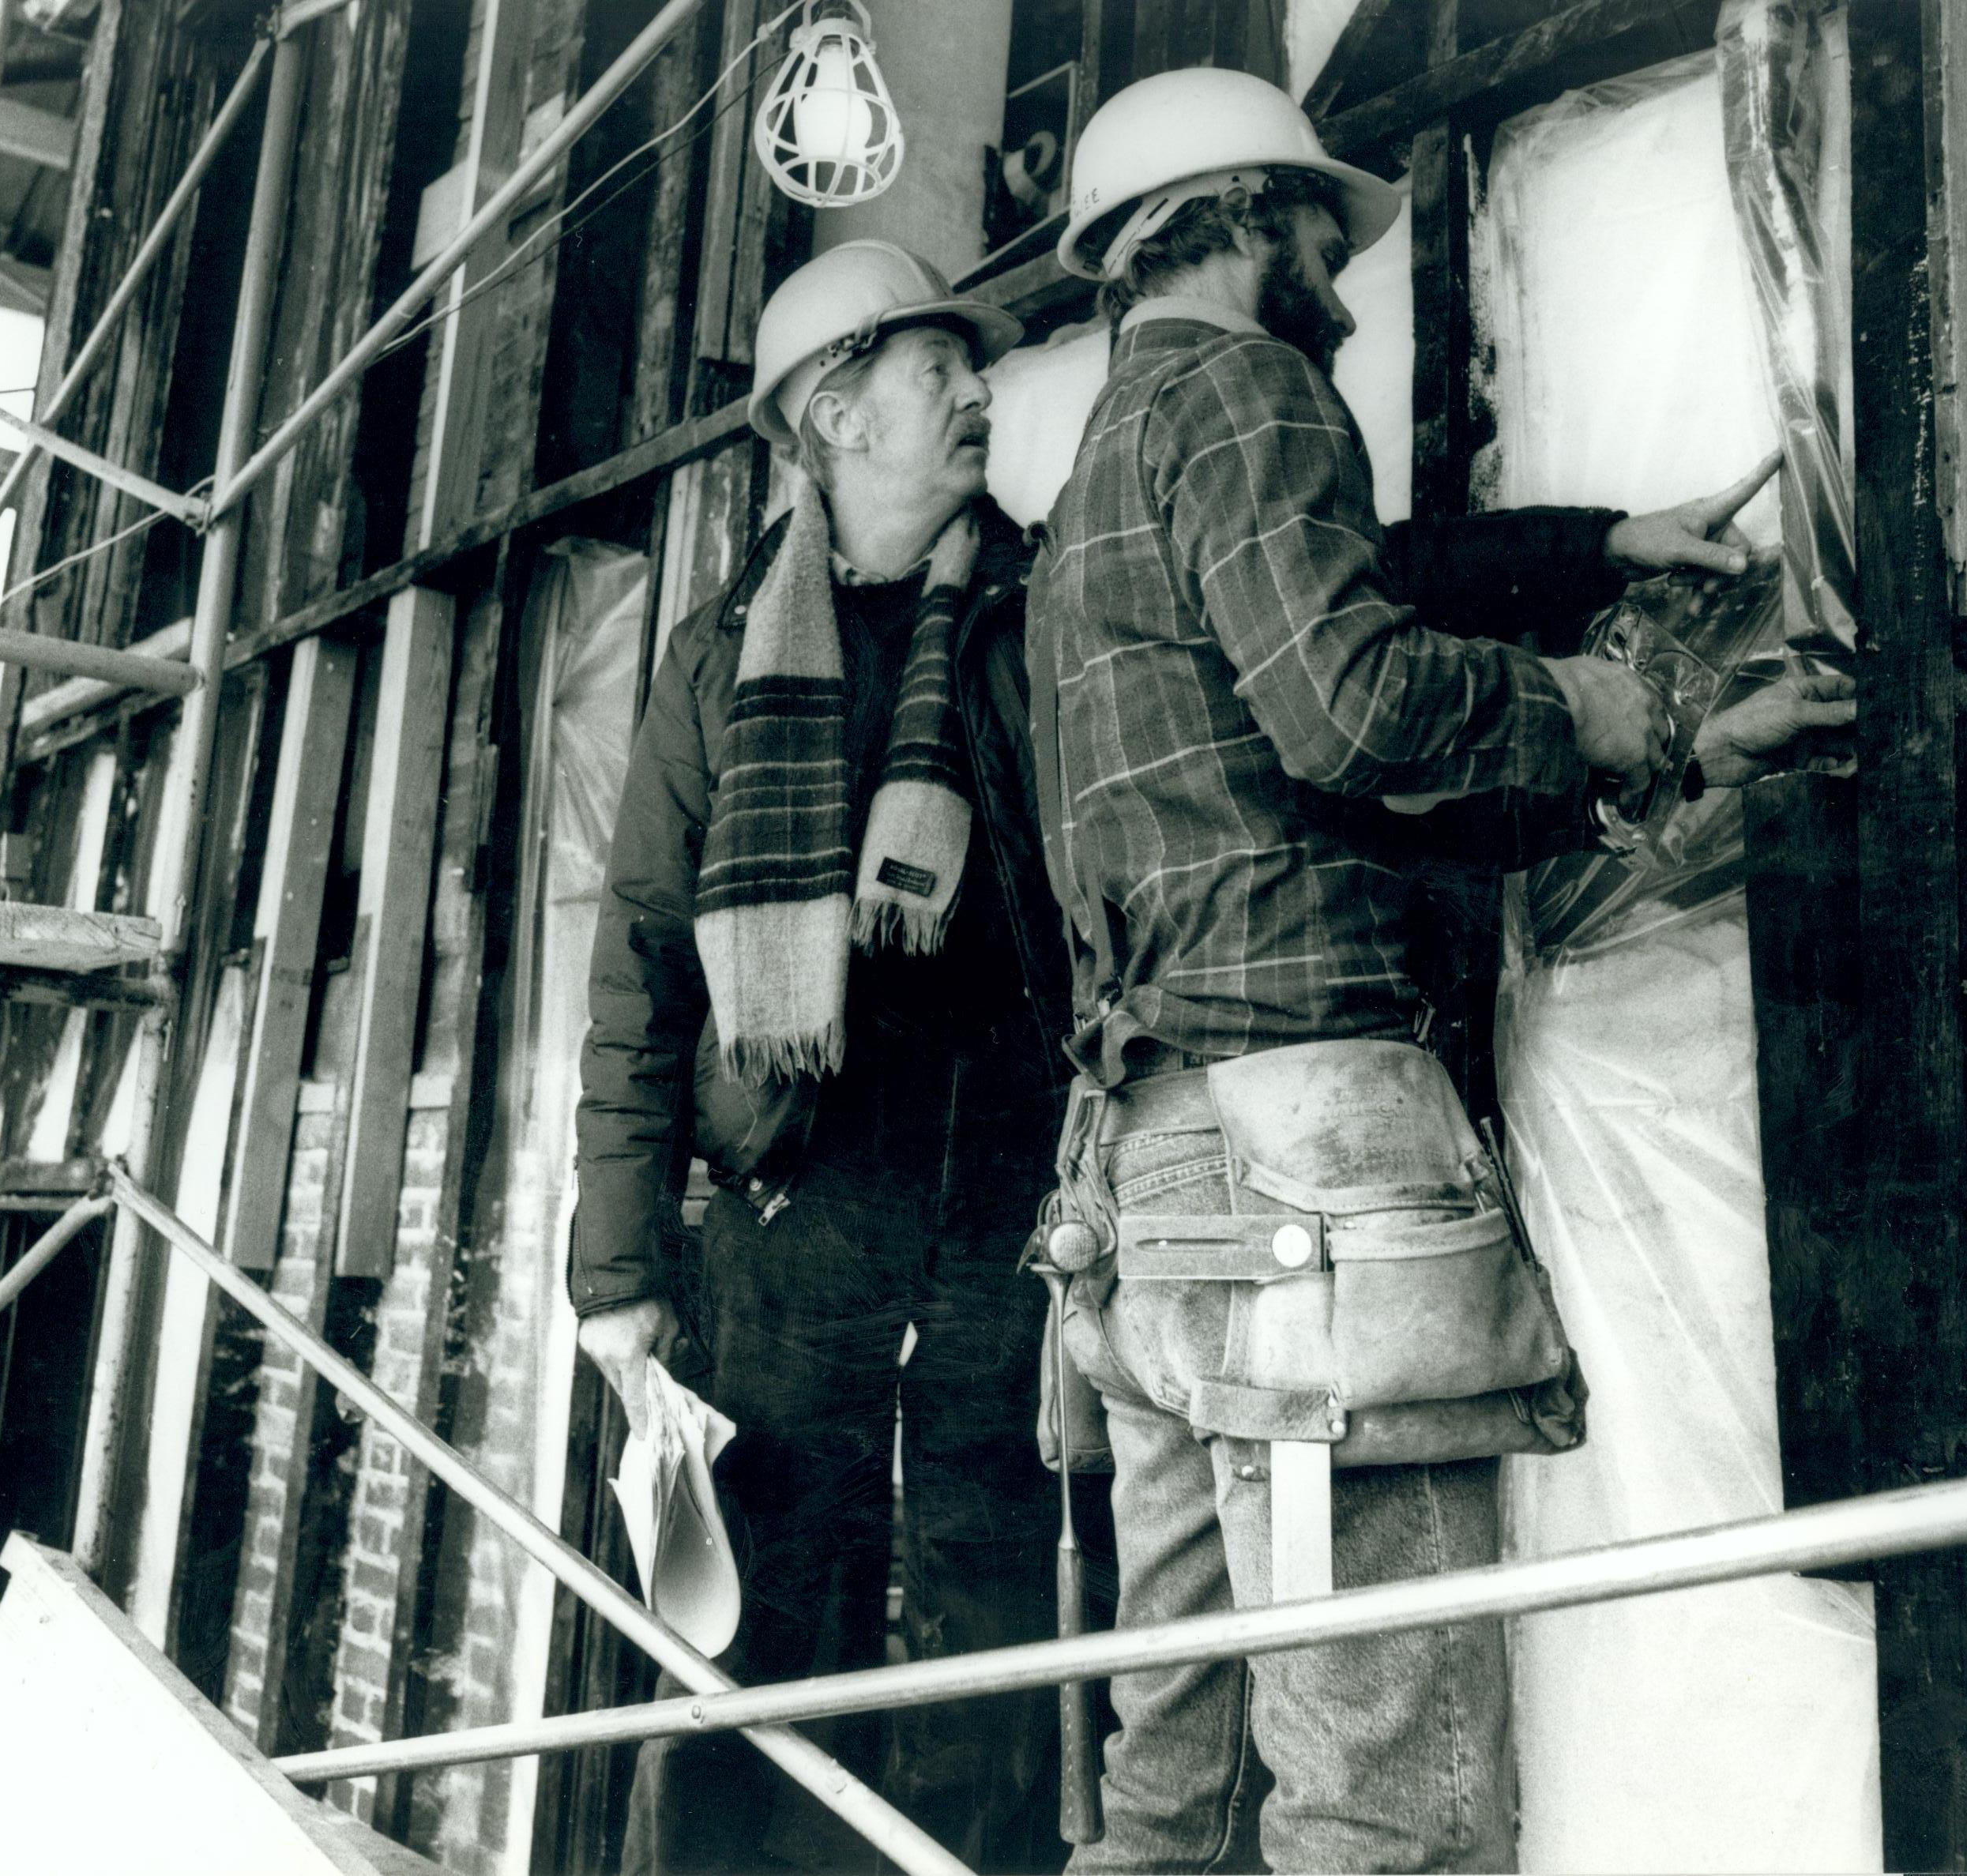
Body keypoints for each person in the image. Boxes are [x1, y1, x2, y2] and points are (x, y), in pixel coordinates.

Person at [1028, 66, 1857, 1874]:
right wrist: (1634, 708)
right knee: (1384, 1810)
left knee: (1177, 1792)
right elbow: (1350, 700)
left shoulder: (1104, 464)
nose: (1341, 255)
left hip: (1152, 1186)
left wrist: (1596, 550)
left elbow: (1344, 603)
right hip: (1311, 1199)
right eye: (1321, 218)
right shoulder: (1258, 390)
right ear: (1251, 217)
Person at [570, 239, 1074, 1874]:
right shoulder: (723, 661)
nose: (982, 388)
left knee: (1005, 1611)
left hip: (1014, 1196)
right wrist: (620, 1273)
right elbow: (641, 969)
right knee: (762, 1624)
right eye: (942, 370)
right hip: (802, 1207)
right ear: (838, 410)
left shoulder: (1052, 600)